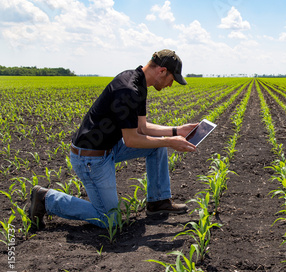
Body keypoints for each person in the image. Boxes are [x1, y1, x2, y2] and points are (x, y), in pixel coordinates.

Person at [28, 49, 198, 229]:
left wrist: (177, 130)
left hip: (110, 147)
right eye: (172, 79)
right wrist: (170, 141)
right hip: (91, 159)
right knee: (110, 220)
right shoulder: (129, 90)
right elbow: (132, 140)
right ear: (162, 71)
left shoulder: (138, 82)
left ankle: (158, 202)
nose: (170, 85)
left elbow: (142, 128)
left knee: (157, 147)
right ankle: (47, 199)